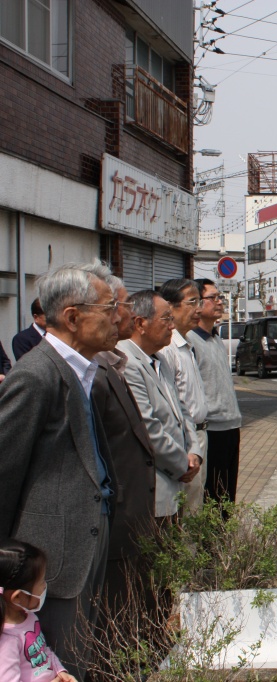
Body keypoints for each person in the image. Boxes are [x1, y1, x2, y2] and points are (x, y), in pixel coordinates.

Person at [0, 262, 119, 679]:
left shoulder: (84, 369)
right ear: (73, 317)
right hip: (52, 556)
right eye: (108, 309)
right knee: (56, 665)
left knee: (80, 659)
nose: (117, 317)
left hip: (85, 537)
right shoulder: (36, 375)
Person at [91, 277, 158, 610]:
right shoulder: (86, 374)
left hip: (129, 517)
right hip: (108, 522)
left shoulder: (113, 363)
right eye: (115, 307)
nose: (123, 317)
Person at [117, 290, 201, 521]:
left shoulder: (159, 359)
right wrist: (182, 464)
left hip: (177, 481)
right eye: (166, 319)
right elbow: (149, 427)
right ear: (140, 323)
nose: (172, 326)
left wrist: (194, 451)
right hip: (155, 485)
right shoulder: (127, 363)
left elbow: (182, 410)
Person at [188, 279, 242, 503]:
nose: (220, 302)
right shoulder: (190, 341)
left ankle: (223, 538)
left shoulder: (216, 338)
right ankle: (211, 539)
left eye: (220, 297)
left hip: (231, 425)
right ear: (198, 304)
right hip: (211, 428)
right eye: (213, 298)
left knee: (227, 495)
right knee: (213, 495)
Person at [158, 278, 210, 513]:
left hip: (198, 437)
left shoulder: (187, 343)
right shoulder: (167, 348)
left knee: (195, 507)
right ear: (170, 306)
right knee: (185, 513)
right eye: (192, 302)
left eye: (200, 301)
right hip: (184, 443)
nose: (198, 309)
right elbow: (169, 406)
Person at [0, 540, 77, 682]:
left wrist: (60, 671)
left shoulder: (28, 617)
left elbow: (44, 653)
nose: (44, 587)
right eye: (41, 581)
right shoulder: (7, 640)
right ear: (18, 597)